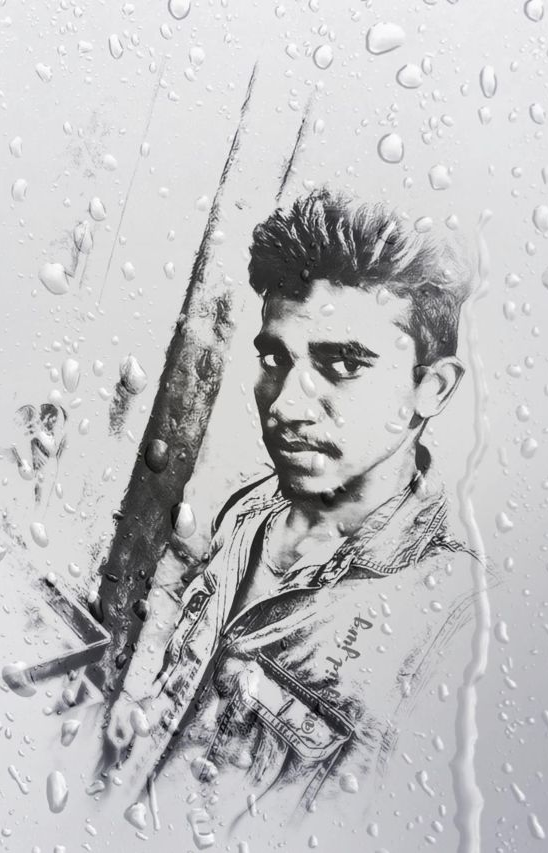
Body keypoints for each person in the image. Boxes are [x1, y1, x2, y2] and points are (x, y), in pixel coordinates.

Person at [102, 188, 482, 838]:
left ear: (432, 387)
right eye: (276, 359)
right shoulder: (250, 512)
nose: (284, 406)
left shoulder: (452, 620)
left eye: (343, 364)